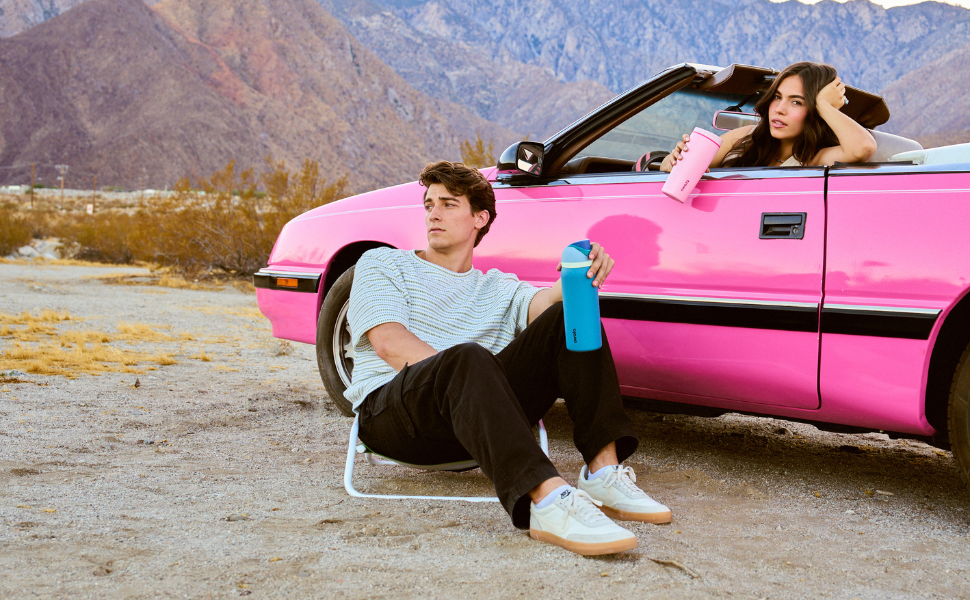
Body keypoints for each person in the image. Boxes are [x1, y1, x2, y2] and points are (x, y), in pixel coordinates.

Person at [344, 160, 671, 556]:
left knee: (568, 317)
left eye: (448, 204)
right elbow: (388, 343)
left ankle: (603, 471)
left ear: (480, 218)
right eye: (429, 204)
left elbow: (546, 304)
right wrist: (464, 380)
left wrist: (581, 272)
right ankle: (547, 501)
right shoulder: (383, 262)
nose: (433, 213)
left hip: (479, 426)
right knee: (467, 358)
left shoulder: (497, 287)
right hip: (397, 419)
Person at [660, 62, 877, 171]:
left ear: (816, 111)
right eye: (777, 97)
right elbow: (678, 168)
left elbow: (863, 148)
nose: (779, 109)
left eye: (796, 102)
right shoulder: (745, 137)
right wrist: (674, 160)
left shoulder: (815, 159)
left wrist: (823, 104)